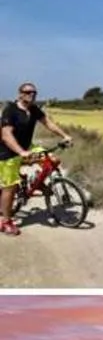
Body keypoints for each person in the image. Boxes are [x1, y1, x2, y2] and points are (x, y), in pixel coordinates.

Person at [0, 84, 71, 237]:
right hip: (7, 152)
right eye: (27, 92)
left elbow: (48, 123)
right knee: (10, 187)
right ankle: (6, 221)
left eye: (34, 93)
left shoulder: (33, 110)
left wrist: (64, 135)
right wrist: (21, 152)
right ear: (20, 94)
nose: (31, 95)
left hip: (27, 148)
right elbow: (6, 135)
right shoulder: (10, 110)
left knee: (53, 160)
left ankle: (36, 185)